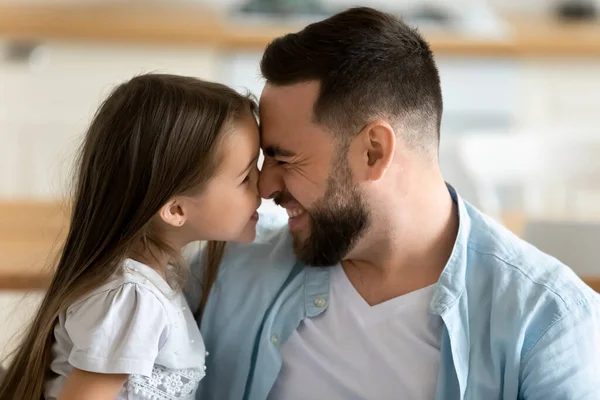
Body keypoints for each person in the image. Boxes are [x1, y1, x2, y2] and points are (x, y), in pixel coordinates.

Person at [188, 7, 600, 400]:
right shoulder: (224, 268)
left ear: (373, 151)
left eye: (284, 158)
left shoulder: (550, 323)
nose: (264, 186)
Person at [0, 74, 261, 400]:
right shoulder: (134, 299)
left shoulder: (155, 283)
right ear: (176, 210)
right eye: (246, 178)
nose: (263, 186)